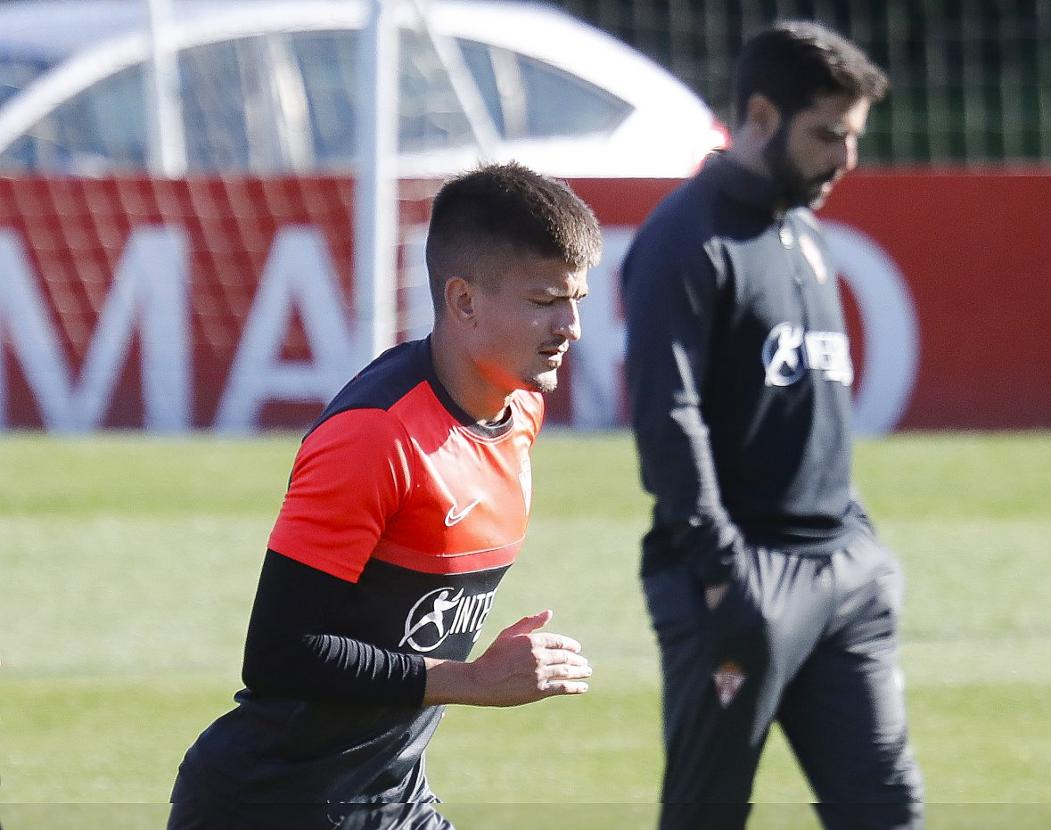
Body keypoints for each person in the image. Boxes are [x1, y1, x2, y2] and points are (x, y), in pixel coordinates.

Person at [169, 162, 601, 830]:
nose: (570, 326)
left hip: (395, 800)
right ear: (464, 302)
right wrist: (473, 680)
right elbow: (280, 654)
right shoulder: (376, 436)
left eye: (577, 300)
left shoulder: (520, 410)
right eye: (545, 301)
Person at [621, 22, 923, 830]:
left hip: (843, 574)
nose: (846, 158)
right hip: (741, 579)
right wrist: (723, 572)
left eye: (854, 137)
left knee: (889, 811)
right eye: (828, 134)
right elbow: (667, 414)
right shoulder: (684, 239)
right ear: (760, 116)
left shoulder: (805, 229)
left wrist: (860, 543)